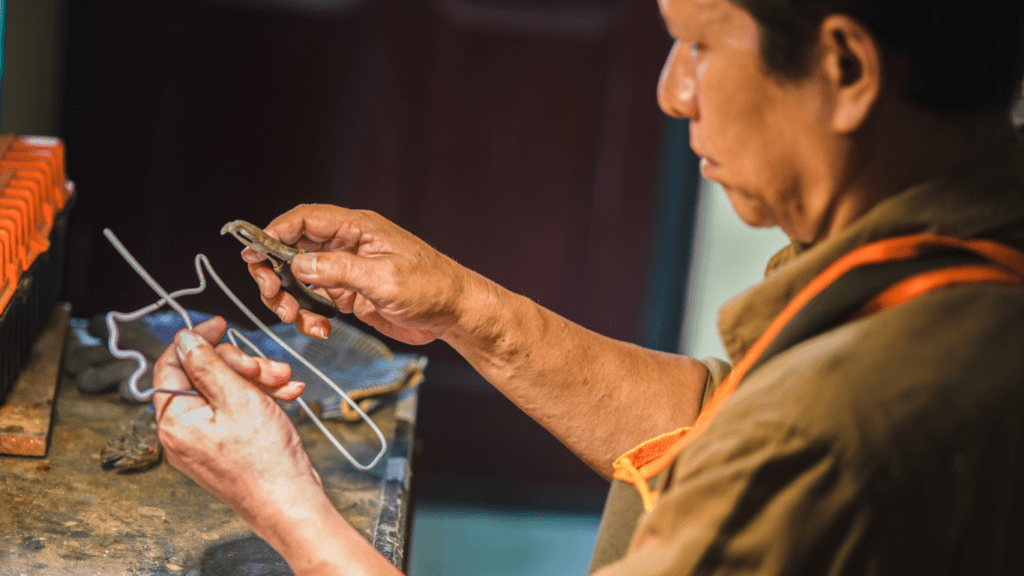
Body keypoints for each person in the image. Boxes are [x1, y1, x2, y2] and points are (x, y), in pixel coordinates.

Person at [151, 0, 1024, 573]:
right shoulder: (953, 250)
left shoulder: (828, 436)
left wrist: (278, 495)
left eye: (698, 46)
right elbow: (717, 427)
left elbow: (773, 443)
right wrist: (460, 307)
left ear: (846, 69)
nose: (673, 94)